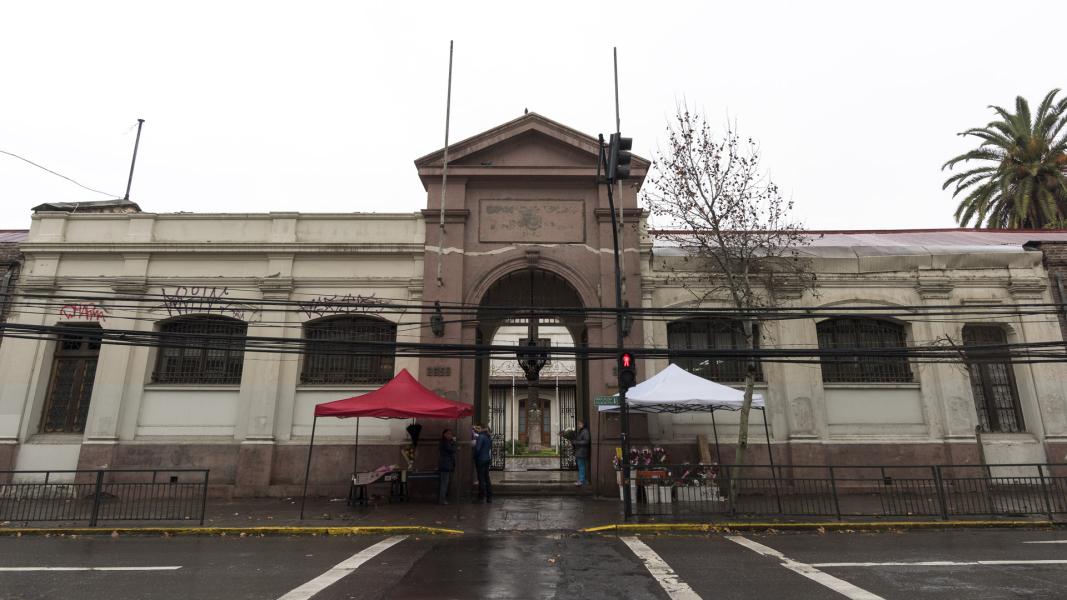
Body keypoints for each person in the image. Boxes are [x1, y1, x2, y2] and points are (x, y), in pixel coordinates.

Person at [473, 424, 493, 503]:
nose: (476, 429)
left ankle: (481, 497)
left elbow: (478, 449)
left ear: (482, 429)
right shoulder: (488, 437)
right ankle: (489, 497)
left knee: (481, 479)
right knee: (487, 479)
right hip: (487, 459)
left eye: (478, 428)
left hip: (480, 459)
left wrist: (474, 456)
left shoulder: (481, 437)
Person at [437, 428, 457, 505]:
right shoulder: (445, 442)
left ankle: (444, 498)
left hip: (447, 465)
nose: (450, 435)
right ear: (444, 434)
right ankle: (442, 500)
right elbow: (452, 449)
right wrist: (454, 442)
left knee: (446, 482)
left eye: (451, 434)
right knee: (444, 483)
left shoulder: (447, 442)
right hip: (445, 465)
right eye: (449, 433)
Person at [572, 420, 591, 486]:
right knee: (582, 466)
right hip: (580, 451)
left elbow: (586, 441)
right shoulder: (581, 431)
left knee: (581, 466)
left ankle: (582, 480)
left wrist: (576, 442)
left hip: (582, 452)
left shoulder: (585, 431)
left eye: (580, 424)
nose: (578, 425)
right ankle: (584, 480)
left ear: (583, 424)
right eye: (578, 424)